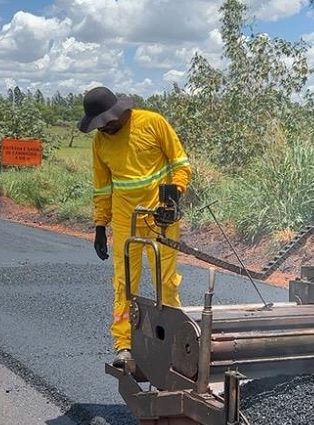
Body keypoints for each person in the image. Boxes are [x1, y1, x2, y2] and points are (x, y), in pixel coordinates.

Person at [77, 87, 192, 367]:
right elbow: (102, 188)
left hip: (161, 217)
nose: (103, 128)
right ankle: (124, 344)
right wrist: (100, 225)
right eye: (99, 125)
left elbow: (181, 164)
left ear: (118, 112)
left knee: (165, 281)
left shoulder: (153, 123)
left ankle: (173, 341)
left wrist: (173, 195)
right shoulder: (100, 142)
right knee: (124, 283)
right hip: (124, 219)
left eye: (106, 122)